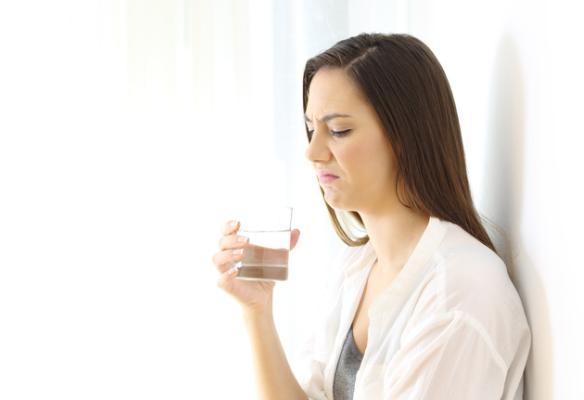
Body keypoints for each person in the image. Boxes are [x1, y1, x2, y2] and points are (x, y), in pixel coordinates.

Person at [211, 32, 531, 400]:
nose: (312, 152)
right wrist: (257, 309)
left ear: (406, 135)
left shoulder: (461, 293)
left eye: (339, 130)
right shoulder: (359, 266)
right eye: (312, 130)